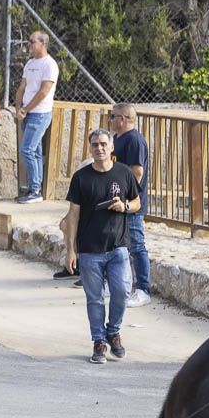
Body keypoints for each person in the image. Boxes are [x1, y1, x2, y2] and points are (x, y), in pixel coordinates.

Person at [61, 128, 140, 364]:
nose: (100, 148)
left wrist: (124, 207)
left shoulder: (124, 173)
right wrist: (71, 250)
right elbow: (72, 216)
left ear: (112, 147)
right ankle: (99, 341)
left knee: (122, 292)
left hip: (118, 247)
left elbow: (136, 202)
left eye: (104, 144)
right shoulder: (81, 177)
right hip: (89, 250)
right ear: (90, 147)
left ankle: (113, 331)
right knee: (94, 298)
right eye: (95, 144)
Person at [109, 103, 151, 307]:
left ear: (122, 118)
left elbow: (137, 172)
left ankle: (143, 288)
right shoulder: (116, 139)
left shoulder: (134, 139)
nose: (110, 119)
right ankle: (119, 283)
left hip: (131, 204)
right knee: (119, 245)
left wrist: (128, 199)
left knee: (136, 245)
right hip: (118, 201)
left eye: (112, 116)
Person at [15, 31, 59, 204]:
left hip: (39, 113)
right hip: (27, 113)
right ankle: (35, 188)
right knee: (35, 152)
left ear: (43, 43)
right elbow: (22, 86)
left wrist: (25, 110)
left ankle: (35, 190)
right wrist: (19, 108)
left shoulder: (50, 65)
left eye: (32, 41)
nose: (29, 44)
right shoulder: (30, 63)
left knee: (27, 150)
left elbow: (44, 91)